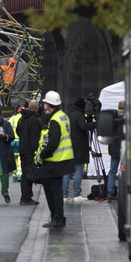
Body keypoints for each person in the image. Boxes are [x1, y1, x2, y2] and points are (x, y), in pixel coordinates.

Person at [34, 90, 75, 228]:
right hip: (63, 160)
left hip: (54, 161)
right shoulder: (63, 116)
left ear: (48, 105)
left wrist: (42, 156)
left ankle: (56, 218)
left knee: (53, 192)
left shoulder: (55, 120)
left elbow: (53, 143)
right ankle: (58, 218)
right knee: (56, 191)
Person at [62, 97, 98, 203]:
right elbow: (83, 126)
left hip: (68, 146)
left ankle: (64, 195)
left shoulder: (68, 114)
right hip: (78, 147)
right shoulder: (79, 115)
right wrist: (95, 124)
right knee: (78, 170)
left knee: (67, 172)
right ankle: (77, 194)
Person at [16, 100, 42, 205]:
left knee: (24, 174)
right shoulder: (34, 121)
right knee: (29, 175)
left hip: (22, 149)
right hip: (30, 152)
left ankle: (25, 197)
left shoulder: (22, 119)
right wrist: (37, 152)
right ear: (36, 109)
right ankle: (26, 198)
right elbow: (35, 138)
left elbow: (18, 131)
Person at [106, 101, 125, 201]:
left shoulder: (112, 118)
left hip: (113, 147)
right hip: (124, 148)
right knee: (122, 172)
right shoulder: (127, 119)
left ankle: (110, 193)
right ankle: (120, 194)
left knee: (112, 171)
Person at [8, 107, 23, 182]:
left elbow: (8, 128)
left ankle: (14, 175)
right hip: (20, 141)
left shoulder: (12, 118)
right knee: (20, 158)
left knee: (14, 158)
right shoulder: (23, 118)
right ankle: (19, 174)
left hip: (13, 142)